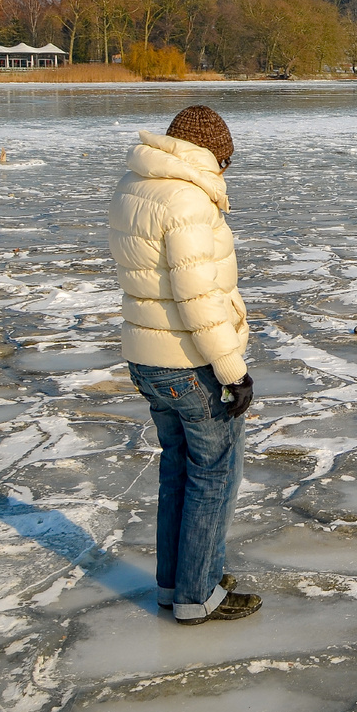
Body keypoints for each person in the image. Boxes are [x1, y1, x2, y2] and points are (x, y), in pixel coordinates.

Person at [109, 105, 261, 624]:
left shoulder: (136, 186)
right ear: (211, 154)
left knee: (178, 469)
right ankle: (198, 595)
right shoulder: (187, 201)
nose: (226, 170)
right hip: (186, 362)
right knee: (214, 472)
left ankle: (177, 582)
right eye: (226, 160)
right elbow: (198, 298)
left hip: (146, 358)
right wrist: (231, 369)